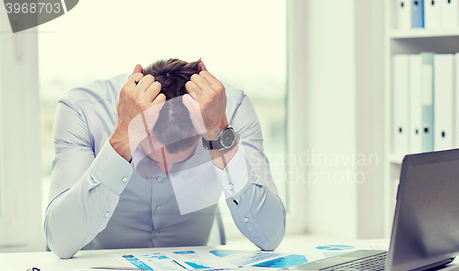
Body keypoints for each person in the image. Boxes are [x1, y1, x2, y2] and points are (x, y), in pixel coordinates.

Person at [45, 58, 286, 258]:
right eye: (153, 150)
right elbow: (60, 240)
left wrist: (220, 133)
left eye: (185, 154)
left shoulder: (230, 109)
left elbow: (270, 235)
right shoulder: (83, 109)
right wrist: (122, 137)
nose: (167, 168)